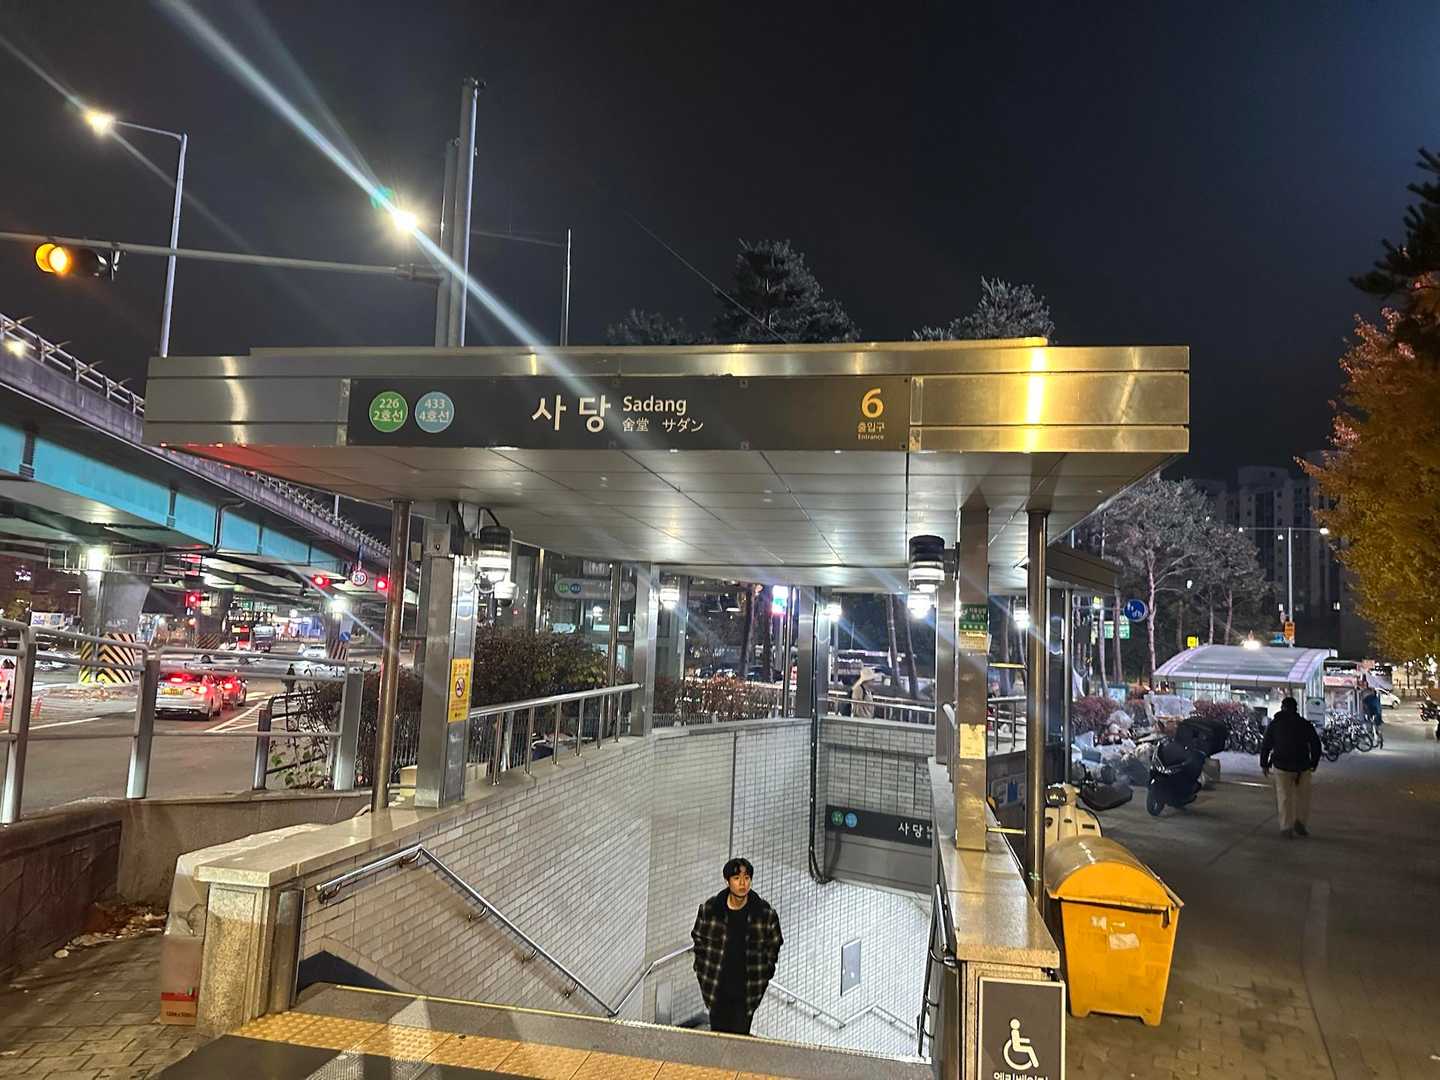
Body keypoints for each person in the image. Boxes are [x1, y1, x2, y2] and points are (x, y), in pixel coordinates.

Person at [690, 857, 783, 1036]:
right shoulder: (711, 909)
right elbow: (699, 940)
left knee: (739, 1040)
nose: (742, 883)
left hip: (747, 992)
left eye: (747, 878)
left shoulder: (764, 913)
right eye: (737, 878)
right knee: (718, 1038)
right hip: (716, 989)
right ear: (727, 881)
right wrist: (701, 969)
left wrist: (766, 972)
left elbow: (774, 944)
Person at [1259, 696, 1322, 838]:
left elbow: (1266, 745)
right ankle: (1300, 822)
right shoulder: (1304, 724)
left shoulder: (1275, 724)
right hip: (1302, 766)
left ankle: (1286, 827)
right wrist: (1314, 762)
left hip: (1281, 766)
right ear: (1296, 709)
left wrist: (1264, 764)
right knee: (1303, 797)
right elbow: (1315, 744)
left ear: (1282, 708)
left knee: (1284, 797)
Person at [1360, 679, 1384, 748]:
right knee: (1376, 725)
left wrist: (1366, 713)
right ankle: (1379, 736)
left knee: (1370, 724)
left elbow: (1365, 706)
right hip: (1376, 712)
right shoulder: (1375, 698)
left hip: (1372, 712)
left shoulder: (1367, 698)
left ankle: (1374, 736)